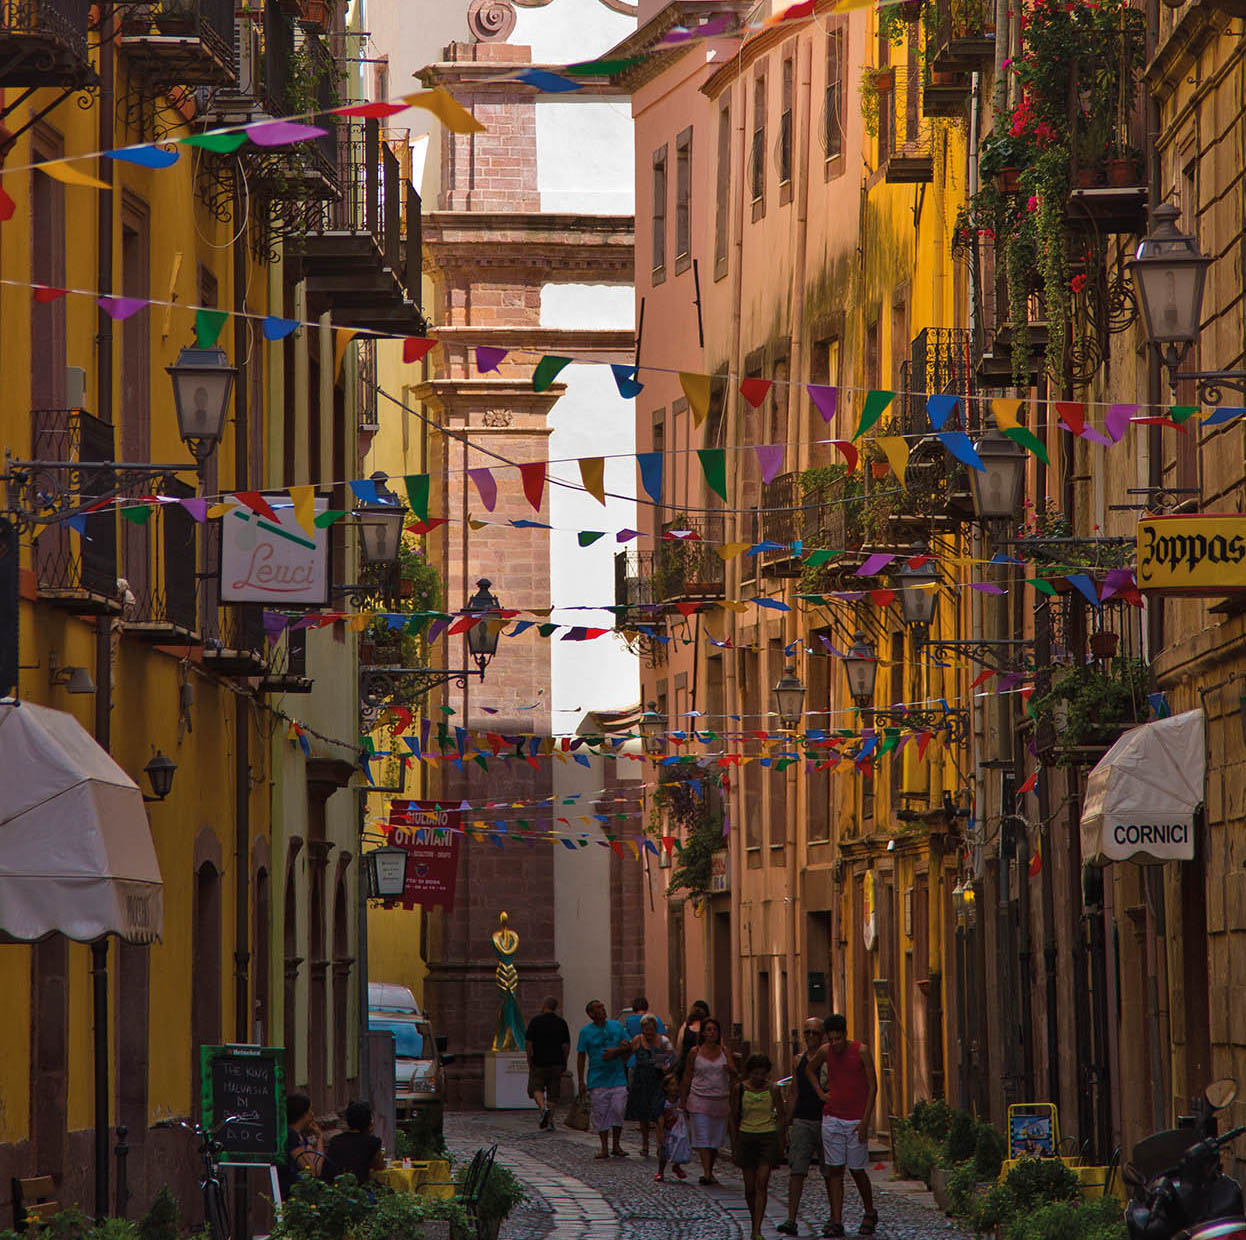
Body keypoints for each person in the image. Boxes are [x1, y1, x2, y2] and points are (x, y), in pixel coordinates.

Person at [805, 1013, 879, 1237]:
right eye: (832, 1039)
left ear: (845, 1034)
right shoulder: (825, 1051)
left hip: (855, 1119)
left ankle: (869, 1211)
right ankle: (836, 1219)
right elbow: (809, 1069)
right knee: (835, 1170)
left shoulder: (861, 1051)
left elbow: (873, 1086)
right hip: (833, 1118)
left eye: (839, 1038)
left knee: (857, 1170)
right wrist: (820, 1092)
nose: (835, 1043)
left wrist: (866, 1120)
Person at [777, 1018, 834, 1235]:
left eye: (814, 1032)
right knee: (797, 1171)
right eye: (806, 1032)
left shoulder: (829, 1060)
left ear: (822, 1036)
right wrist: (786, 1122)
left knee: (830, 1171)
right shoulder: (798, 1060)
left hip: (826, 1119)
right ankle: (791, 1218)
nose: (810, 1036)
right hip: (802, 1119)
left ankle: (834, 1217)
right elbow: (794, 1093)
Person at [729, 1053, 786, 1240]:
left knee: (762, 1183)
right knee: (749, 1188)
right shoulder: (740, 1089)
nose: (759, 1078)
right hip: (746, 1137)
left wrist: (781, 1142)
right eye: (755, 1074)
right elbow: (733, 1116)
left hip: (767, 1137)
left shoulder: (773, 1089)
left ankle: (757, 1229)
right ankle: (754, 1220)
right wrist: (734, 1143)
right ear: (749, 1073)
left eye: (762, 1074)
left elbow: (782, 1117)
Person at [679, 1016, 736, 1185]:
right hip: (699, 1099)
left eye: (715, 1030)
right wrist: (682, 1099)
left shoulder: (725, 1051)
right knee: (703, 1137)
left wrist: (730, 1069)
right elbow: (688, 1075)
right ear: (703, 1033)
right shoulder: (694, 1052)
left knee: (715, 1140)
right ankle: (707, 1173)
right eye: (709, 1029)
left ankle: (710, 1169)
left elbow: (734, 1072)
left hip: (720, 1100)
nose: (712, 1033)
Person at [576, 998, 631, 1159]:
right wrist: (580, 1080)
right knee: (601, 1113)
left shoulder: (616, 1026)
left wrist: (616, 1052)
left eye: (602, 1007)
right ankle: (605, 1146)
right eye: (598, 1008)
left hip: (617, 1076)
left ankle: (616, 1144)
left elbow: (629, 1044)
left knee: (618, 1109)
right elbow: (581, 1055)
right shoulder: (585, 1032)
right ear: (591, 1014)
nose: (602, 1009)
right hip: (597, 1078)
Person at [625, 1014, 674, 1156]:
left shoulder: (664, 1041)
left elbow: (673, 1056)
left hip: (657, 1081)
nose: (649, 1032)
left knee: (659, 1114)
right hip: (641, 1080)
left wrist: (666, 1067)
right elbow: (627, 1055)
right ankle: (645, 1144)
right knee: (643, 1115)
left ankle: (660, 1144)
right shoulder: (637, 1040)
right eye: (646, 1029)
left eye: (651, 1029)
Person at [525, 995, 571, 1130]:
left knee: (535, 1088)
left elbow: (528, 1043)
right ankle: (550, 1121)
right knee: (553, 1093)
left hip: (539, 1061)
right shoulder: (561, 1022)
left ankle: (543, 1108)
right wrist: (565, 1061)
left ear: (544, 1005)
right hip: (557, 1062)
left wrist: (529, 1059)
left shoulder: (535, 1021)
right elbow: (566, 1045)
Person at [323, 1100, 386, 1186]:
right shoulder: (372, 1142)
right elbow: (380, 1166)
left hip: (335, 1187)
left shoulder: (335, 1140)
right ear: (368, 1122)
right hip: (358, 1190)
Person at [278, 1093, 325, 1197]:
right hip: (290, 1192)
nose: (313, 1115)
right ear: (302, 1114)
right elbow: (311, 1170)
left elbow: (317, 1167)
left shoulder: (301, 1136)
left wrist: (319, 1138)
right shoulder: (291, 1136)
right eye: (310, 1110)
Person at [655, 1073, 690, 1183]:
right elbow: (660, 1118)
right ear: (666, 1088)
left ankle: (676, 1166)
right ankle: (660, 1171)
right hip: (667, 1130)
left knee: (678, 1148)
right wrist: (660, 1133)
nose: (675, 1087)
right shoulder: (663, 1102)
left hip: (678, 1130)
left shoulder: (681, 1101)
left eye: (676, 1084)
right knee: (664, 1151)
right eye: (672, 1085)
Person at [674, 1000, 710, 1074]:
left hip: (686, 1065)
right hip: (706, 1066)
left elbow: (679, 1047)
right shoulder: (710, 1028)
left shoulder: (685, 1027)